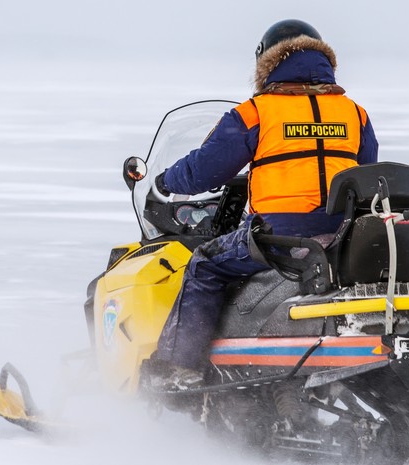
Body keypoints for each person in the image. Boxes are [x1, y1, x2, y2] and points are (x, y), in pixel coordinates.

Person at [152, 19, 379, 388]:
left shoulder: (258, 111)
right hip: (342, 237)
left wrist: (166, 180)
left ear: (267, 63)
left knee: (205, 265)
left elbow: (203, 172)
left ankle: (181, 369)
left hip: (279, 239)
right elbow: (368, 171)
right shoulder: (354, 113)